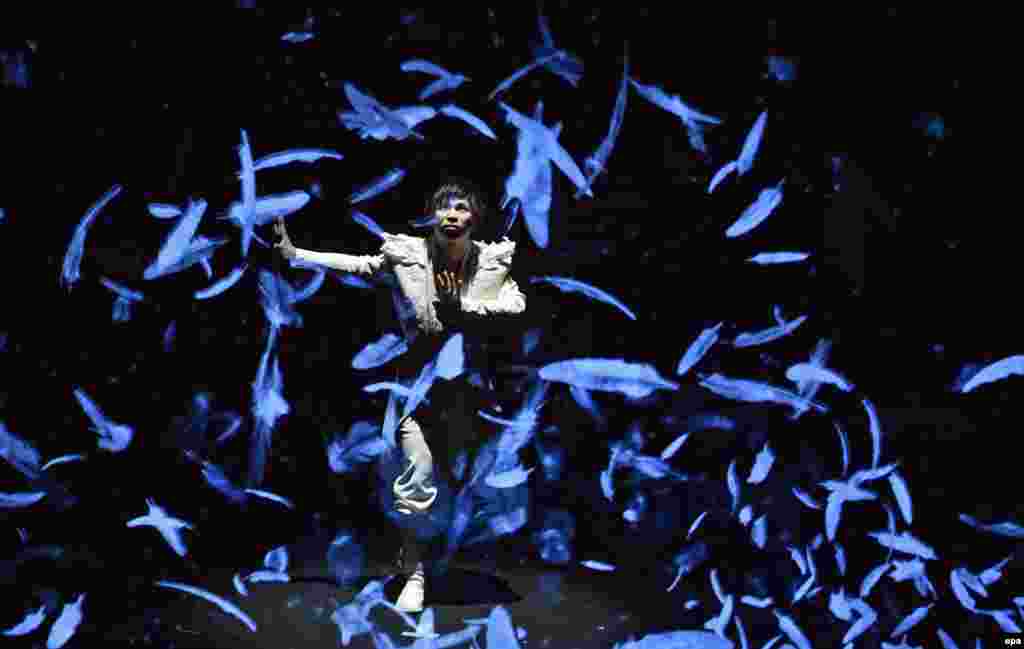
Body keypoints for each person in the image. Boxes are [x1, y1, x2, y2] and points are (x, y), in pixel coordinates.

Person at [273, 179, 526, 612]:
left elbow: (515, 302)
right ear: (433, 214)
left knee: (473, 479)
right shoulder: (406, 257)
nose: (451, 215)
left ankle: (451, 559)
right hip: (414, 392)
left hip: (467, 394)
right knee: (417, 471)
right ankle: (414, 573)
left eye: (460, 208)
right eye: (443, 207)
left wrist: (489, 304)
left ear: (473, 216)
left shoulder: (489, 261)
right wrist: (299, 256)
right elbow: (358, 265)